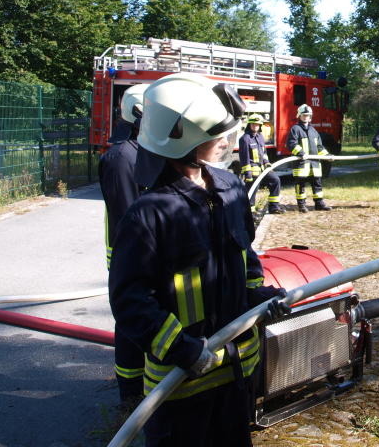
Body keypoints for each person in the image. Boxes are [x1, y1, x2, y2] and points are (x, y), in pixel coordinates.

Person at [108, 72, 289, 447]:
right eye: (214, 134)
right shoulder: (150, 213)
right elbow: (130, 300)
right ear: (181, 139)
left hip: (239, 367)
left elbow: (245, 256)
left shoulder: (229, 187)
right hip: (182, 382)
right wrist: (181, 348)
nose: (225, 141)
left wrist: (257, 297)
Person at [99, 83, 147, 403]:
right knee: (131, 322)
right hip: (131, 256)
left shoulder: (142, 150)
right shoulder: (119, 158)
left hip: (147, 253)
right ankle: (130, 395)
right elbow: (129, 213)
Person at [286, 104, 332, 213]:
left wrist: (327, 155)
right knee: (300, 184)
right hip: (302, 163)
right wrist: (301, 153)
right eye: (304, 115)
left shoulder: (313, 130)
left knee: (317, 184)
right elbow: (291, 143)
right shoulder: (295, 129)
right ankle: (301, 205)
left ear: (310, 116)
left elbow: (319, 146)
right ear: (300, 116)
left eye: (308, 115)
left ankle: (319, 203)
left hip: (314, 163)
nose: (306, 117)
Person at [239, 113, 285, 215]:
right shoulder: (245, 139)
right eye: (253, 124)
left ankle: (274, 207)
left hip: (262, 169)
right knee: (252, 191)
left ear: (260, 126)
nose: (255, 126)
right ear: (249, 125)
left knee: (275, 180)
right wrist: (248, 173)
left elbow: (264, 153)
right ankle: (250, 214)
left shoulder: (260, 137)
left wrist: (267, 163)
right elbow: (244, 157)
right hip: (252, 171)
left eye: (257, 124)